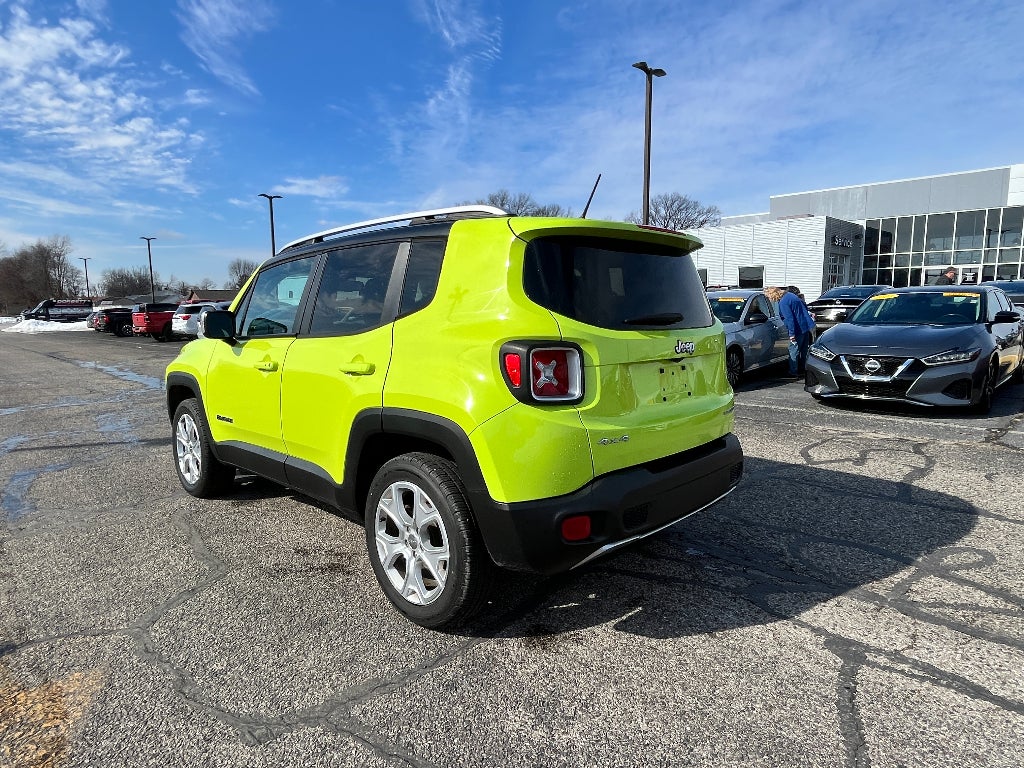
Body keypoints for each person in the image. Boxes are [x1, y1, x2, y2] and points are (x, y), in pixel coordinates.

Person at [764, 286, 815, 378]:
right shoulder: (791, 295)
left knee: (793, 350)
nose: (769, 299)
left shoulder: (783, 302)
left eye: (768, 297)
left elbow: (789, 319)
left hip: (797, 329)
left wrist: (791, 334)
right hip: (806, 326)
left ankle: (793, 372)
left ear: (773, 294)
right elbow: (803, 305)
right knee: (804, 350)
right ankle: (803, 370)